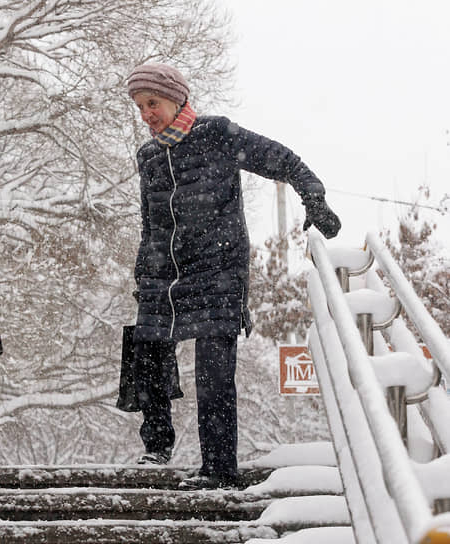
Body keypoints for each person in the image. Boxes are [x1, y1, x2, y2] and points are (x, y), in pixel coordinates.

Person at [125, 63, 340, 489]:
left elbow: (282, 158)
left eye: (153, 103)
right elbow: (150, 219)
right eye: (139, 106)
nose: (146, 114)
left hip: (218, 269)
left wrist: (313, 198)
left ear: (176, 98)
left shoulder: (215, 135)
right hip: (164, 271)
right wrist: (143, 267)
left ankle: (218, 470)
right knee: (145, 349)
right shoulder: (148, 156)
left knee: (213, 372)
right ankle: (156, 446)